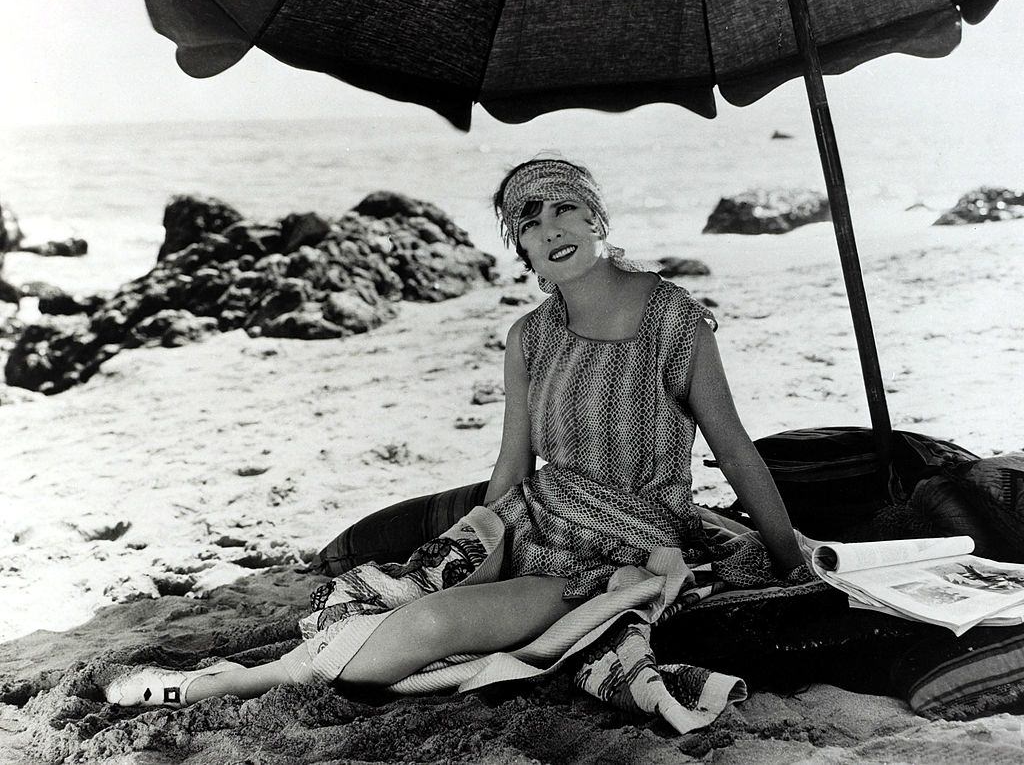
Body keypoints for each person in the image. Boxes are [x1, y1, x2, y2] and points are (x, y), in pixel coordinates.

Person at [105, 157, 809, 709]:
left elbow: (734, 446)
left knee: (434, 628)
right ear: (521, 249)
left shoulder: (672, 319)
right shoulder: (528, 337)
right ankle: (273, 665)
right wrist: (467, 545)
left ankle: (224, 686)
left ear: (598, 219)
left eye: (565, 208)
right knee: (390, 591)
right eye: (528, 221)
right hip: (526, 516)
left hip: (615, 549)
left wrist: (787, 557)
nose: (550, 228)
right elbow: (511, 467)